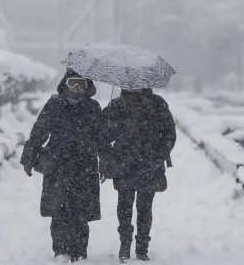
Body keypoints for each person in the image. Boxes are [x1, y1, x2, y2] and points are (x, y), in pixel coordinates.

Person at [20, 69, 102, 263]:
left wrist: (107, 162)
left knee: (80, 213)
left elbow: (102, 138)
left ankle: (80, 252)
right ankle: (61, 251)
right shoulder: (54, 104)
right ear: (65, 83)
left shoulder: (93, 107)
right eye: (72, 82)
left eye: (80, 83)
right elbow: (39, 131)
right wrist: (29, 158)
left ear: (87, 86)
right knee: (59, 210)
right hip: (58, 164)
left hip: (85, 165)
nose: (76, 87)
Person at [99, 88, 176, 262]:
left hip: (150, 164)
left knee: (145, 207)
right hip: (123, 163)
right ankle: (125, 243)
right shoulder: (116, 105)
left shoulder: (157, 103)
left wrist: (158, 155)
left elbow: (169, 134)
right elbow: (102, 135)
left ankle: (142, 247)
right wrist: (107, 157)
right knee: (124, 206)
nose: (135, 86)